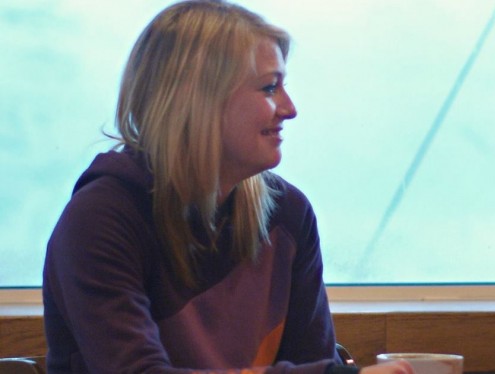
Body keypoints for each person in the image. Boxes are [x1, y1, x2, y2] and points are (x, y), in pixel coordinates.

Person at [42, 1, 413, 373]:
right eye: (270, 87)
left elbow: (312, 360)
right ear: (199, 100)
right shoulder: (101, 219)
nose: (290, 108)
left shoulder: (288, 213)